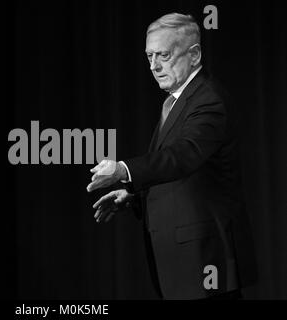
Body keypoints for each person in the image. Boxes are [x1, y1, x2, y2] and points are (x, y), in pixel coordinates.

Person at [86, 13, 257, 300]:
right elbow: (186, 175)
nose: (154, 66)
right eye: (149, 56)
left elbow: (183, 156)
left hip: (205, 259)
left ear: (194, 54)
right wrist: (133, 195)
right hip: (182, 262)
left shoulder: (208, 99)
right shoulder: (178, 100)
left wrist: (123, 169)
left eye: (164, 55)